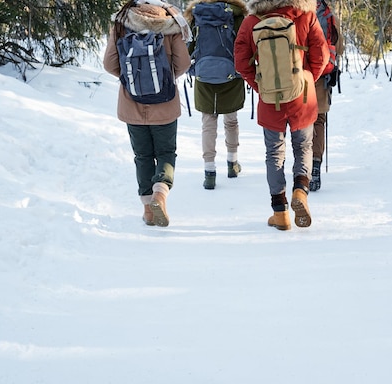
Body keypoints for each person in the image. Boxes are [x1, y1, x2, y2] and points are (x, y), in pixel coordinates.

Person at [234, 0, 329, 230]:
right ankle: (300, 192)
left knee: (274, 152)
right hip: (302, 98)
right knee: (304, 147)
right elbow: (322, 55)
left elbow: (240, 62)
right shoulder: (305, 15)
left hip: (270, 98)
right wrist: (306, 80)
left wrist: (262, 86)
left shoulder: (251, 21)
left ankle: (280, 213)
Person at [103, 0, 192, 227]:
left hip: (131, 103)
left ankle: (148, 211)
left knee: (142, 156)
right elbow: (183, 63)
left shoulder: (122, 21)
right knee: (165, 152)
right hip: (165, 103)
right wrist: (166, 78)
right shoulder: (169, 23)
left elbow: (109, 63)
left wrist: (129, 81)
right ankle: (160, 194)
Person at [184, 0, 248, 190]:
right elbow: (244, 47)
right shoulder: (238, 15)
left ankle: (209, 171)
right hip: (232, 75)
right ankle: (232, 163)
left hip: (204, 77)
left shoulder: (197, 15)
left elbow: (189, 48)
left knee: (208, 122)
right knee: (231, 120)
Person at [310, 0, 344, 192]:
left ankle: (303, 168)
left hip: (303, 74)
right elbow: (339, 47)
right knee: (319, 120)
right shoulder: (329, 15)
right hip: (323, 74)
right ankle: (315, 165)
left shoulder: (297, 12)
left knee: (302, 121)